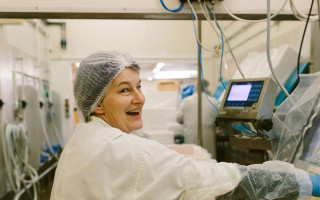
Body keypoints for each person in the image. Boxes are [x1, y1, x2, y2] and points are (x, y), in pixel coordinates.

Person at [51, 50, 319, 200]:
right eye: (124, 90)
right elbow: (215, 181)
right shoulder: (123, 150)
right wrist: (302, 181)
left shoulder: (83, 140)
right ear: (98, 104)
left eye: (139, 87)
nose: (139, 98)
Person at [176, 80, 219, 158]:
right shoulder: (214, 102)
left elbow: (178, 118)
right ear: (207, 88)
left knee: (192, 159)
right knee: (208, 160)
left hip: (190, 135)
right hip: (208, 136)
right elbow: (218, 120)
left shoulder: (186, 101)